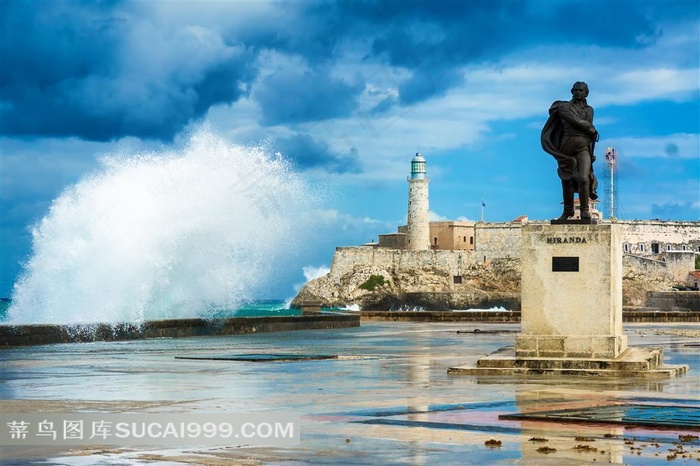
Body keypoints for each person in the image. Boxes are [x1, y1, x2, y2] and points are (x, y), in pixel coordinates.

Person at [541, 81, 599, 220]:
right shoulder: (564, 107)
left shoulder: (589, 109)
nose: (578, 92)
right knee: (566, 178)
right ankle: (568, 211)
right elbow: (577, 122)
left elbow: (587, 126)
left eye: (581, 90)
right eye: (576, 90)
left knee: (583, 178)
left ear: (586, 93)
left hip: (583, 146)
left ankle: (585, 210)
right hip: (567, 144)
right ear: (572, 91)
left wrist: (588, 129)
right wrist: (589, 128)